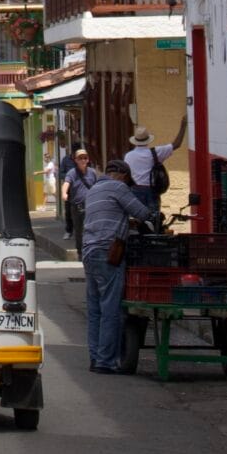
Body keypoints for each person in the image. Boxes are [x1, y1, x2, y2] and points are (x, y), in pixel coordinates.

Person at [80, 159, 153, 372]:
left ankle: (95, 357)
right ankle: (106, 361)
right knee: (111, 308)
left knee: (95, 310)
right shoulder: (118, 187)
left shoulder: (94, 190)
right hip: (108, 252)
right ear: (122, 175)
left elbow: (107, 214)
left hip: (89, 252)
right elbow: (142, 213)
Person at [125, 114, 187, 204]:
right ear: (148, 140)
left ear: (135, 140)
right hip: (151, 190)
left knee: (136, 215)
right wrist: (183, 126)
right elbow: (176, 144)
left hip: (135, 190)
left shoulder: (128, 156)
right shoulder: (155, 153)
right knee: (153, 216)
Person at [63, 147, 100, 250]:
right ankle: (81, 252)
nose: (83, 160)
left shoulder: (92, 172)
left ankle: (90, 250)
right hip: (77, 206)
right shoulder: (72, 173)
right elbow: (66, 183)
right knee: (79, 231)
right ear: (76, 160)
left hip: (90, 205)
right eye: (80, 158)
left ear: (88, 159)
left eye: (85, 158)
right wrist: (64, 193)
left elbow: (98, 185)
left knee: (90, 229)